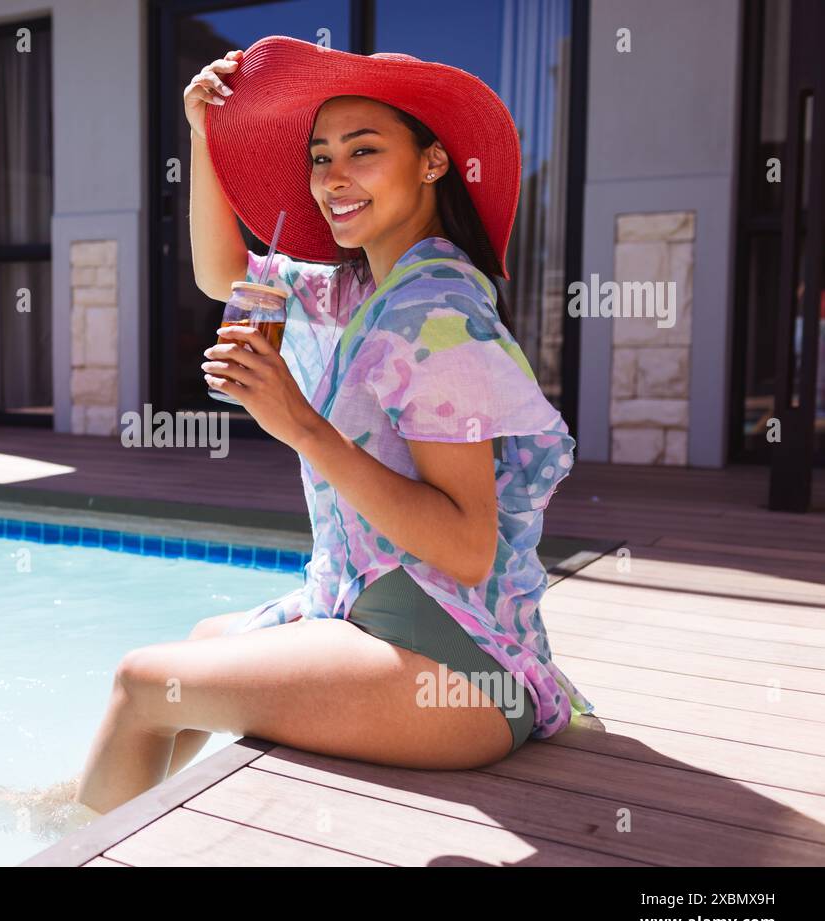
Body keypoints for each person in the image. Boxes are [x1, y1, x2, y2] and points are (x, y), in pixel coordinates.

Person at [74, 36, 593, 817]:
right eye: (321, 157)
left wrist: (300, 425)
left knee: (144, 681)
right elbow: (226, 274)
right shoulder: (365, 284)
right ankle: (98, 813)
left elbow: (466, 545)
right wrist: (201, 133)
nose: (334, 178)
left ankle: (71, 836)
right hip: (383, 613)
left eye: (363, 150)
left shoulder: (436, 313)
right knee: (200, 641)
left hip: (454, 665)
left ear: (432, 162)